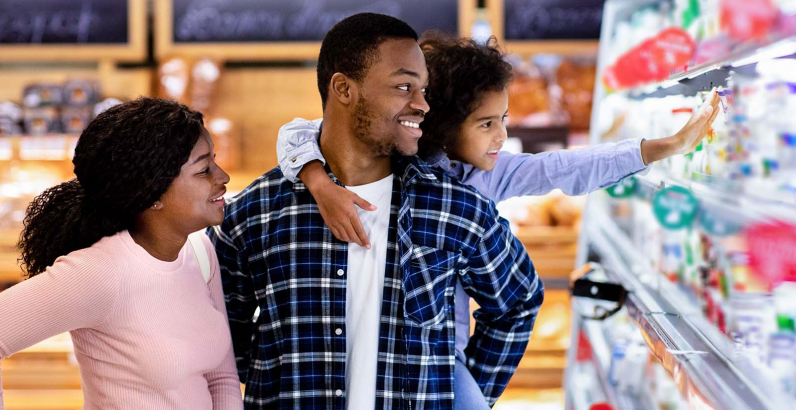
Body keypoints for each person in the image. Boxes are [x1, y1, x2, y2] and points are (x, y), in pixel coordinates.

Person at [275, 34, 720, 409]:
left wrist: (664, 146)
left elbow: (564, 168)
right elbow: (297, 132)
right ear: (443, 126)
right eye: (486, 123)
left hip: (439, 363)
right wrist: (319, 182)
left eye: (502, 120)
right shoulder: (385, 158)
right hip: (352, 353)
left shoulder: (487, 177)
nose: (502, 135)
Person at [209, 13, 543, 410]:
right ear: (343, 89)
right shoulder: (254, 215)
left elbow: (517, 302)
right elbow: (224, 340)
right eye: (403, 87)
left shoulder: (456, 209)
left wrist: (463, 396)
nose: (421, 105)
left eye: (424, 90)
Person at [0, 98, 240, 410]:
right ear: (154, 192)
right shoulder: (101, 271)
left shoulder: (200, 251)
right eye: (204, 169)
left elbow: (220, 378)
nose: (222, 177)